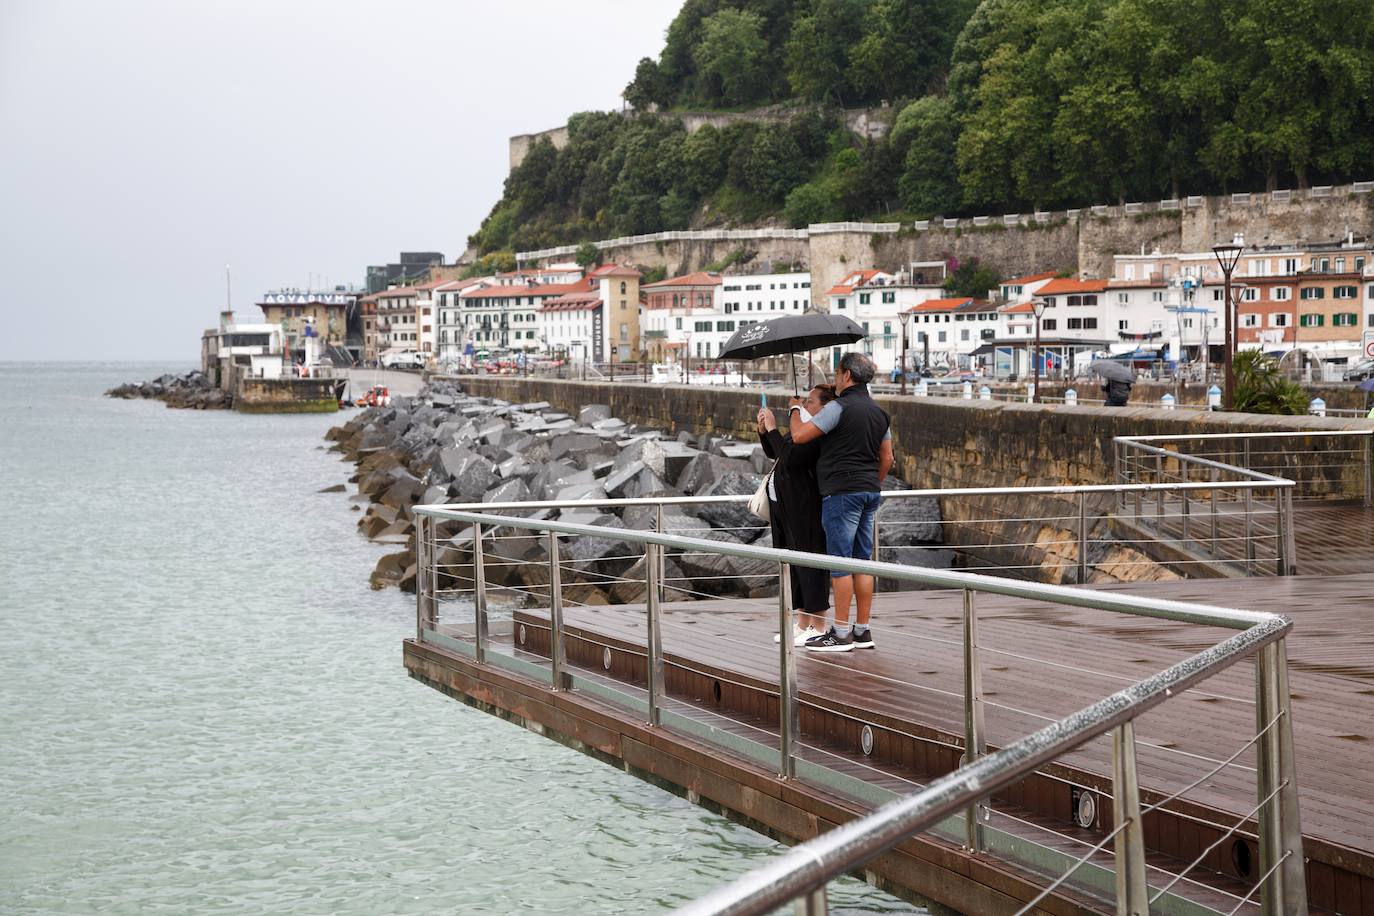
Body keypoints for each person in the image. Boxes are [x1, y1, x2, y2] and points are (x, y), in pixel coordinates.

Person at [788, 352, 893, 653]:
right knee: (862, 562)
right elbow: (887, 458)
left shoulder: (838, 408)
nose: (834, 379)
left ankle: (841, 632)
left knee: (840, 563)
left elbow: (800, 436)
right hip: (869, 491)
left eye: (836, 374)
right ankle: (862, 631)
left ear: (847, 375)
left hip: (841, 493)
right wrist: (872, 483)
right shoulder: (879, 413)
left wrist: (795, 409)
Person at [757, 385, 836, 646]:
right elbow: (777, 452)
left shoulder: (818, 433)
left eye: (810, 401)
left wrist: (772, 428)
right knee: (794, 564)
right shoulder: (802, 429)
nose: (804, 404)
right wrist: (764, 433)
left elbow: (790, 457)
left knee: (811, 562)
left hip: (805, 507)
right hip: (785, 507)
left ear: (824, 407)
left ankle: (819, 624)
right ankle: (803, 623)